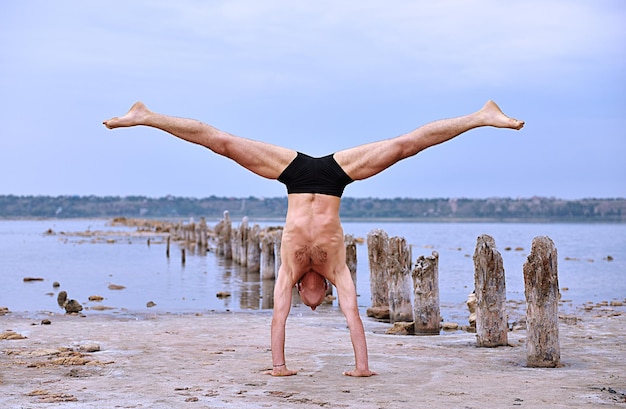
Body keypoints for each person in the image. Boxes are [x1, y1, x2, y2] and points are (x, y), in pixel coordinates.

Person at [103, 100, 524, 377]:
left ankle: (480, 116)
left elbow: (277, 318)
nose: (311, 302)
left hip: (294, 174)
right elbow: (354, 317)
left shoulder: (289, 272)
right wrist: (362, 366)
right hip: (336, 175)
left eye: (309, 301)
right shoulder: (336, 272)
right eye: (317, 301)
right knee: (401, 146)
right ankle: (146, 115)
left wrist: (279, 366)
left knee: (225, 144)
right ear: (320, 290)